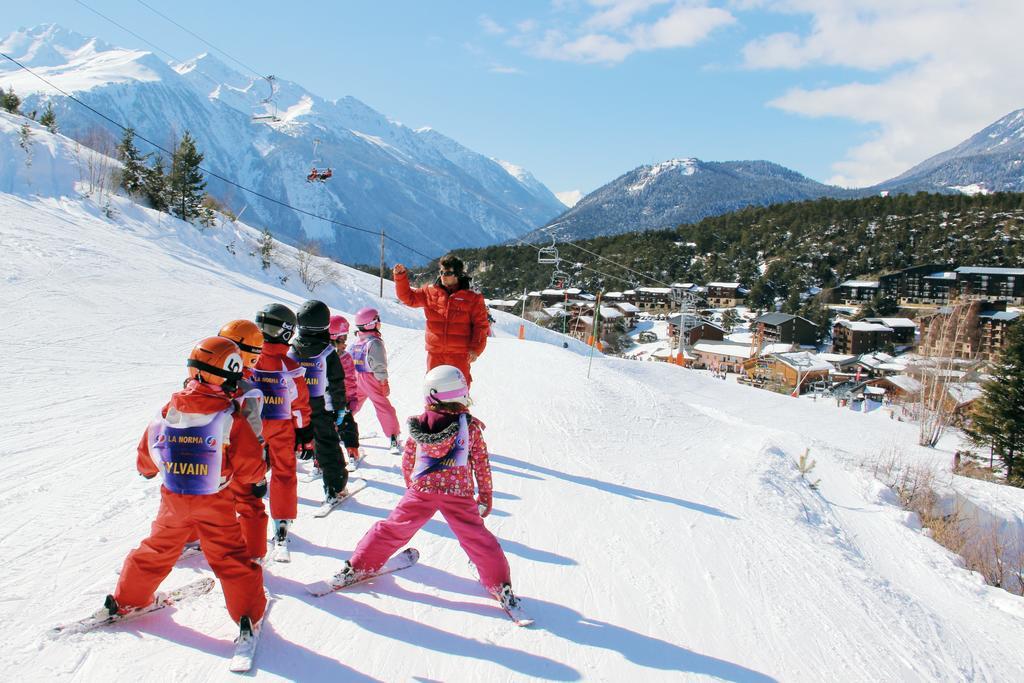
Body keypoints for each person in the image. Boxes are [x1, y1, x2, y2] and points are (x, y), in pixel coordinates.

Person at [100, 337, 267, 640]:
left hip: (174, 498)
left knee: (157, 548)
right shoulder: (230, 417)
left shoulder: (171, 408)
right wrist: (256, 478)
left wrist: (147, 469)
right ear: (229, 376)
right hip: (213, 500)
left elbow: (150, 444)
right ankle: (248, 614)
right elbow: (249, 462)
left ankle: (128, 598)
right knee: (229, 556)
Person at [330, 365, 521, 610]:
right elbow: (481, 461)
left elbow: (409, 457)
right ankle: (500, 584)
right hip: (458, 495)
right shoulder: (470, 427)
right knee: (477, 538)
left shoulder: (419, 425)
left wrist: (412, 485)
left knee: (391, 529)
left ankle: (357, 566)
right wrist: (485, 494)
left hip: (421, 490)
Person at [251, 305, 312, 550]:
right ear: (287, 334)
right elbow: (298, 403)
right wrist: (304, 431)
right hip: (281, 426)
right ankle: (282, 520)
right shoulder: (288, 365)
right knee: (284, 471)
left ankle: (239, 516)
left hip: (251, 426)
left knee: (242, 470)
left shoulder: (248, 357)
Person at [216, 319, 271, 562]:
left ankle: (191, 536)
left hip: (207, 457)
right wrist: (259, 473)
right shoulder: (246, 388)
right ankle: (253, 553)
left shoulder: (203, 378)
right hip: (238, 459)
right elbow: (254, 434)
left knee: (202, 498)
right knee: (250, 502)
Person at [393, 254, 489, 386]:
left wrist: (475, 349)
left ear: (458, 274)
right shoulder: (430, 292)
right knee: (433, 391)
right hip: (435, 354)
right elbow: (408, 297)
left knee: (458, 394)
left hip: (459, 355)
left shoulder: (472, 297)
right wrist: (400, 277)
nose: (443, 275)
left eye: (448, 272)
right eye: (441, 272)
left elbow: (481, 326)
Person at [288, 299, 349, 502]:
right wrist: (340, 408)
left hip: (294, 408)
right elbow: (337, 382)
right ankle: (335, 487)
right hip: (319, 407)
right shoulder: (328, 352)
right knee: (328, 445)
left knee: (286, 443)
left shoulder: (292, 349)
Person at [349, 307, 401, 454]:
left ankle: (335, 428)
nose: (379, 322)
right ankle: (393, 437)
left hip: (356, 378)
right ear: (370, 324)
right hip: (371, 379)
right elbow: (379, 365)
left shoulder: (356, 341)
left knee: (352, 404)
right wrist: (384, 382)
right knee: (383, 406)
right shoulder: (374, 343)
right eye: (377, 320)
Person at [329, 314, 361, 464]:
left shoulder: (345, 357)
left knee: (347, 427)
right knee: (329, 431)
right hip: (332, 403)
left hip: (340, 402)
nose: (345, 344)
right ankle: (319, 461)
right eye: (343, 339)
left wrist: (353, 398)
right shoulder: (326, 357)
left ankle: (352, 451)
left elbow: (351, 380)